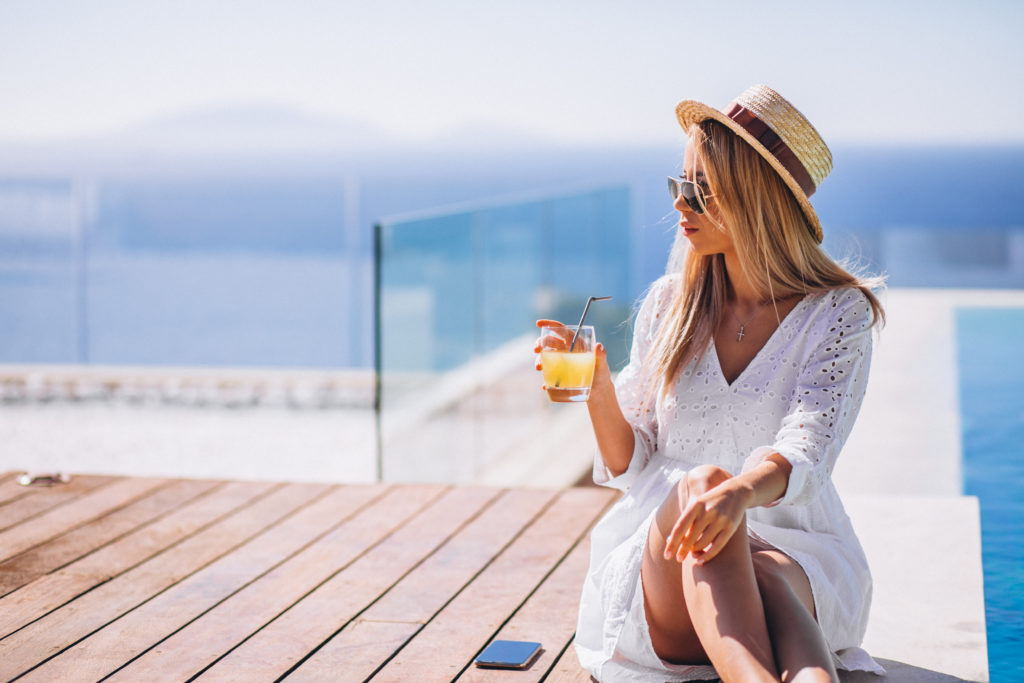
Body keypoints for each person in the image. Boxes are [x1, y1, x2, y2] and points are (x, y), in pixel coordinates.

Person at [535, 85, 887, 682]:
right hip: (668, 560)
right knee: (705, 492)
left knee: (762, 563)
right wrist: (596, 387)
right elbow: (631, 465)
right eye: (679, 184)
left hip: (792, 553)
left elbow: (809, 447)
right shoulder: (670, 306)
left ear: (754, 200)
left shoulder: (839, 315)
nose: (680, 204)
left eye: (699, 189)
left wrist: (739, 494)